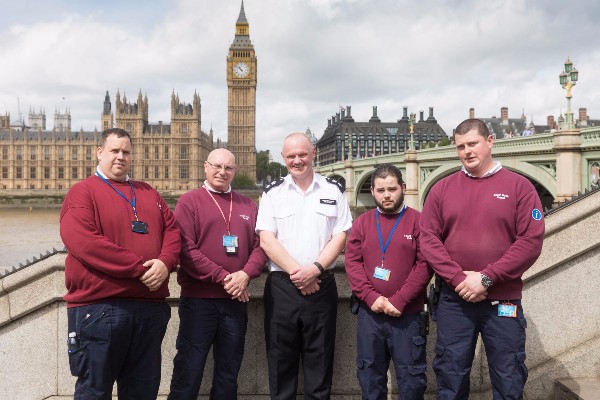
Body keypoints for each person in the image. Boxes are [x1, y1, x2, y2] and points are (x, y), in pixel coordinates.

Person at [420, 118, 545, 399]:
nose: (467, 151)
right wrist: (458, 279)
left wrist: (487, 277)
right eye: (460, 146)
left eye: (473, 143)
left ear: (490, 142)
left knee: (508, 374)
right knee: (450, 374)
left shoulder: (520, 187)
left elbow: (530, 241)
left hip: (503, 299)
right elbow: (428, 239)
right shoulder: (441, 189)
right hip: (454, 299)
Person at [60, 127, 181, 400]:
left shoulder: (147, 192)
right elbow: (85, 243)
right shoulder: (82, 193)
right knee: (95, 391)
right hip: (100, 309)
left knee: (143, 391)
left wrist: (165, 262)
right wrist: (142, 269)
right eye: (114, 150)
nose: (121, 157)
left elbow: (173, 230)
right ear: (99, 152)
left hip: (149, 310)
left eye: (126, 151)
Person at [256, 132, 352, 400]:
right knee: (279, 363)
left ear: (313, 154)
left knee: (320, 363)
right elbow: (266, 239)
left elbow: (341, 235)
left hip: (321, 284)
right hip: (282, 288)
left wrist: (315, 269)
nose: (297, 160)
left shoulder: (334, 190)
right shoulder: (272, 192)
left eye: (302, 154)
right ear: (283, 158)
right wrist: (299, 273)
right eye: (291, 156)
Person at [168, 148, 267, 400]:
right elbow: (185, 249)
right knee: (188, 369)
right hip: (199, 301)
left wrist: (245, 275)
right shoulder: (189, 201)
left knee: (228, 373)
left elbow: (261, 246)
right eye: (217, 166)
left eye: (228, 168)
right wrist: (225, 277)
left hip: (236, 301)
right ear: (205, 167)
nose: (222, 172)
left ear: (235, 171)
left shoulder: (248, 205)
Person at [345, 164, 433, 400]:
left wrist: (400, 300)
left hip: (408, 316)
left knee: (412, 382)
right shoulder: (361, 223)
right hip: (370, 316)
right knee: (370, 380)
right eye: (381, 189)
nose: (387, 195)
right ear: (372, 191)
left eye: (392, 189)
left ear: (403, 188)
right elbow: (352, 263)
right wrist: (371, 298)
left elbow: (425, 265)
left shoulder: (419, 222)